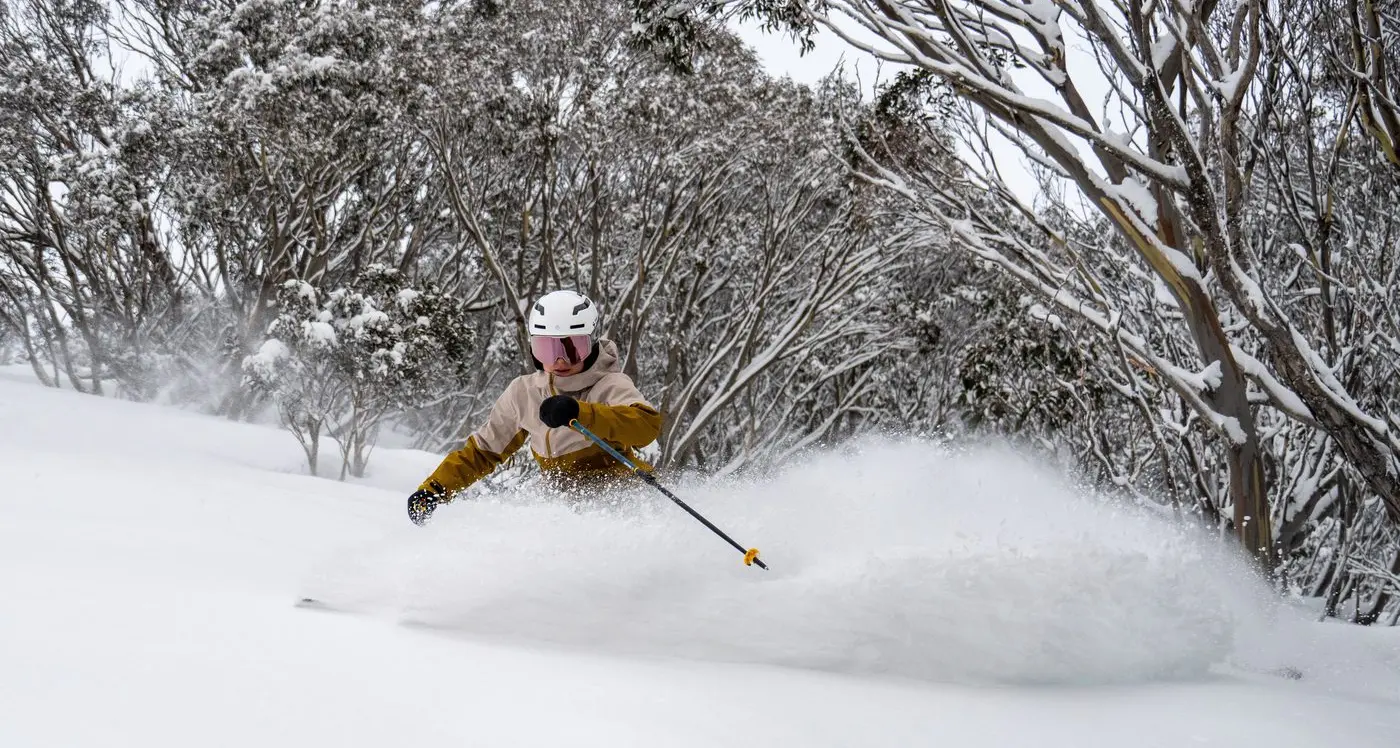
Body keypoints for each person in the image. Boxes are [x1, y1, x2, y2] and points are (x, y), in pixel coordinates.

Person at [407, 290, 663, 525]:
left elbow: (646, 426)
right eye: (547, 349)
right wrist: (434, 489)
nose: (560, 361)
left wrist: (581, 413)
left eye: (572, 349)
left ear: (593, 343)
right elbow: (483, 451)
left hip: (620, 500)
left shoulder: (610, 385)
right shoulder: (525, 392)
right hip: (560, 504)